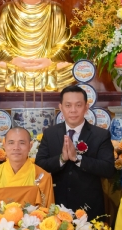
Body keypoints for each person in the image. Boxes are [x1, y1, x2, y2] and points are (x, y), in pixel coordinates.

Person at [0, 0, 75, 92]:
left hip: (47, 66)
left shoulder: (55, 10)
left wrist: (50, 61)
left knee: (70, 71)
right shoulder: (7, 10)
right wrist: (13, 60)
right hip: (15, 66)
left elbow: (63, 45)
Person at [35, 85, 114, 217]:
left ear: (86, 107)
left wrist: (78, 158)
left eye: (78, 105)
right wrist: (62, 159)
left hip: (89, 207)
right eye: (68, 105)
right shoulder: (50, 134)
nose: (73, 110)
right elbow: (39, 166)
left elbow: (108, 169)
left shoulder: (100, 135)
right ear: (60, 108)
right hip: (56, 206)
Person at [0, 127, 55, 209]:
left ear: (30, 146)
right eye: (11, 143)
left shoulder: (43, 177)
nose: (16, 148)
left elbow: (48, 215)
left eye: (22, 143)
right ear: (4, 145)